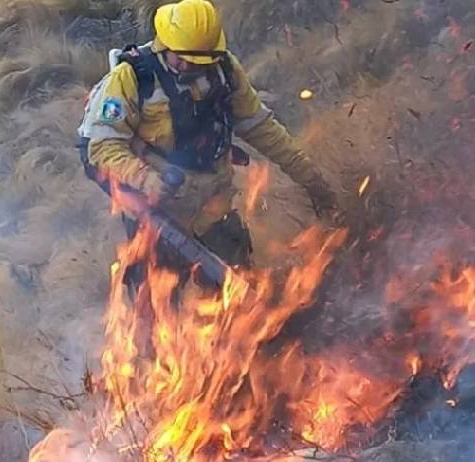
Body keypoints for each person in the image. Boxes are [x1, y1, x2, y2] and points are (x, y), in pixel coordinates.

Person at [77, 0, 338, 279]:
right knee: (154, 301)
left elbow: (262, 129)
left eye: (199, 59)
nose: (190, 65)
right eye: (183, 57)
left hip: (213, 205)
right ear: (164, 43)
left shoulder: (224, 71)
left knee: (239, 290)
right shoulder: (132, 78)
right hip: (155, 212)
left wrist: (310, 178)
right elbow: (103, 147)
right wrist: (148, 180)